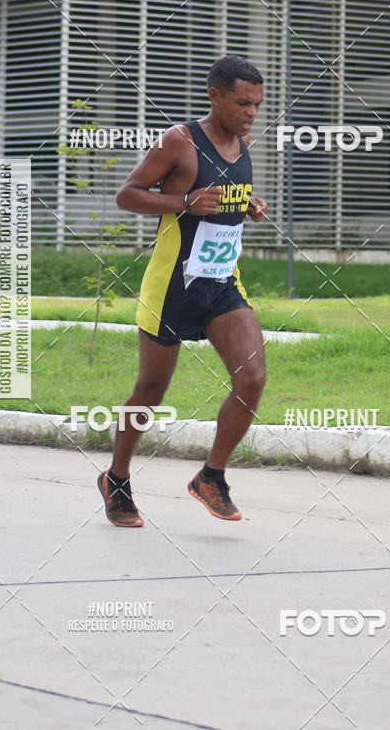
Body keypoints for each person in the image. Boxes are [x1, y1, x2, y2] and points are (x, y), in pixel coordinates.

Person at [97, 54, 268, 527]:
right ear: (214, 96)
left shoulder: (243, 141)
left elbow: (224, 195)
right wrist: (184, 202)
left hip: (221, 283)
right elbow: (128, 193)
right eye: (241, 102)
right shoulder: (180, 142)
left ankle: (211, 476)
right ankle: (117, 478)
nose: (250, 112)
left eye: (256, 103)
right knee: (151, 388)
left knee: (251, 377)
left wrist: (246, 204)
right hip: (172, 284)